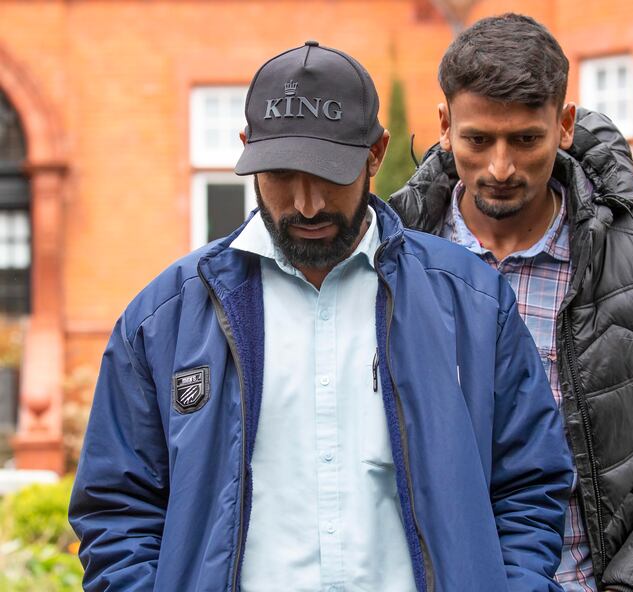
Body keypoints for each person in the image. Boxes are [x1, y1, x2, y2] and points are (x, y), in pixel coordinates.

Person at [69, 41, 573, 592]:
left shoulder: (474, 303)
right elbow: (117, 509)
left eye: (331, 174)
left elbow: (530, 485)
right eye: (282, 175)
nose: (307, 204)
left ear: (376, 154)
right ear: (247, 150)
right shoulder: (162, 320)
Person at [390, 14, 633, 592]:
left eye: (525, 140)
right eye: (478, 140)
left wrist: (632, 583)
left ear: (562, 126)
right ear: (444, 126)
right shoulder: (394, 258)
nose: (500, 168)